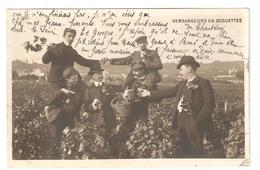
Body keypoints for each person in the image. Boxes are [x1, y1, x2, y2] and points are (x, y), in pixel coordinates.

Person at [138, 55, 216, 158]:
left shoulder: (203, 83)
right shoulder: (182, 84)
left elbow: (209, 105)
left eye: (181, 69)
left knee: (196, 154)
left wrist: (197, 121)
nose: (180, 72)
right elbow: (167, 92)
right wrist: (149, 93)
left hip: (195, 126)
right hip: (180, 124)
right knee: (183, 152)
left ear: (189, 68)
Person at [117, 61, 158, 158]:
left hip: (144, 110)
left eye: (136, 71)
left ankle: (140, 154)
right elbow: (128, 93)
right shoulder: (133, 81)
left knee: (142, 132)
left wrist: (147, 94)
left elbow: (156, 97)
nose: (134, 73)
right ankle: (125, 153)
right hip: (132, 110)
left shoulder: (150, 81)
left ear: (142, 70)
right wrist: (126, 96)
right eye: (133, 71)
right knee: (124, 129)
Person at [45, 66, 87, 159]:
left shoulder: (79, 88)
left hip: (69, 118)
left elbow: (78, 104)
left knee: (70, 141)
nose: (77, 80)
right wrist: (62, 91)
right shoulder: (59, 87)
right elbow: (49, 101)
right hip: (57, 118)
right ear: (67, 79)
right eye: (74, 78)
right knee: (55, 142)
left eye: (77, 77)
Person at [42, 28, 99, 94]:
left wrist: (97, 61)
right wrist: (49, 51)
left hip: (68, 80)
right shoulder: (55, 47)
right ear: (64, 36)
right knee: (57, 99)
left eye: (73, 37)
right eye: (69, 36)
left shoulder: (72, 51)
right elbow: (45, 61)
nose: (71, 38)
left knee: (82, 91)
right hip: (55, 80)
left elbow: (83, 61)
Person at [83, 63, 123, 158]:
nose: (100, 75)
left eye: (100, 73)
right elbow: (86, 107)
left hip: (110, 120)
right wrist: (93, 106)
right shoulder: (88, 90)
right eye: (97, 74)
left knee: (114, 145)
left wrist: (121, 98)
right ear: (92, 76)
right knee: (99, 147)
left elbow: (116, 100)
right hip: (97, 122)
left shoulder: (109, 87)